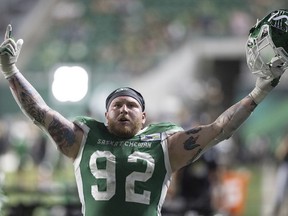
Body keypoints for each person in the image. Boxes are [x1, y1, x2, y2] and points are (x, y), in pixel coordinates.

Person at [0, 9, 288, 216]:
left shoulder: (165, 142)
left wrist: (259, 92)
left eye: (132, 105)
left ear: (143, 117)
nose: (124, 108)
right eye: (117, 105)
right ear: (106, 115)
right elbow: (40, 111)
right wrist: (11, 70)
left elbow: (219, 129)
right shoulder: (85, 137)